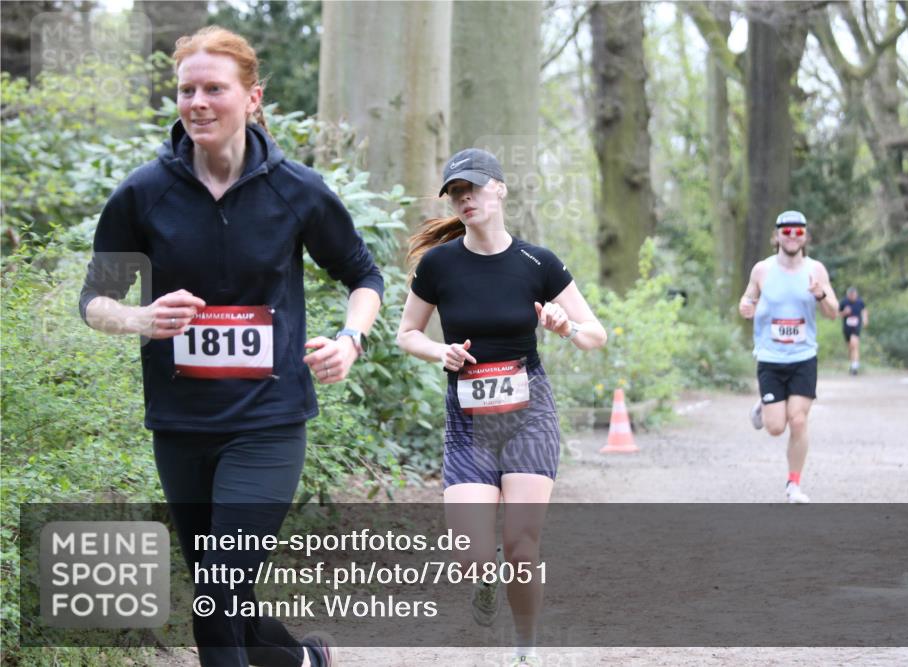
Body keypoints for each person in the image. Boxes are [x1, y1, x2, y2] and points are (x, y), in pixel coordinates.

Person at [78, 26, 383, 667]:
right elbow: (95, 301)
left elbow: (363, 276)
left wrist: (350, 339)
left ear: (252, 97)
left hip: (268, 423)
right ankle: (303, 661)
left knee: (217, 592)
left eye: (214, 89)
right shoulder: (143, 194)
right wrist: (140, 317)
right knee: (226, 594)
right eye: (187, 90)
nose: (198, 103)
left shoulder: (296, 190)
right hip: (180, 425)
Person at [396, 148, 607, 666]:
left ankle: (525, 649)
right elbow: (407, 334)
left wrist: (566, 326)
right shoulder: (439, 265)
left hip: (528, 415)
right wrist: (439, 351)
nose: (465, 198)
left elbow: (595, 335)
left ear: (500, 189)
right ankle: (483, 578)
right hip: (467, 421)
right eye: (456, 192)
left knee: (521, 548)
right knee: (470, 557)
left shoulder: (538, 262)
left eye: (473, 187)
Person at [739, 210, 838, 504]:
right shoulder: (762, 270)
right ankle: (765, 405)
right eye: (786, 231)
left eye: (798, 232)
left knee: (798, 420)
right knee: (775, 427)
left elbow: (833, 312)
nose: (792, 236)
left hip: (803, 357)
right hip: (770, 358)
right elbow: (748, 297)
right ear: (777, 236)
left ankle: (794, 484)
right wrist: (746, 305)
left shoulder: (815, 270)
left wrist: (821, 295)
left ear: (805, 236)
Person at [839, 286, 868, 375]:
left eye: (854, 295)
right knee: (850, 347)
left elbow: (864, 310)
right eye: (850, 295)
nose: (852, 296)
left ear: (856, 294)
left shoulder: (860, 302)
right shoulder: (844, 302)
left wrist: (865, 319)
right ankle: (853, 365)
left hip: (856, 327)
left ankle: (855, 367)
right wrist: (844, 312)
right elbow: (837, 314)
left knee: (854, 344)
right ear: (848, 295)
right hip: (847, 328)